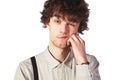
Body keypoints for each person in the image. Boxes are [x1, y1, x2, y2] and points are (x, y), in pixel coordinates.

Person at [14, 0, 101, 80]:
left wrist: (82, 64)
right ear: (48, 22)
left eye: (71, 23)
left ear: (79, 27)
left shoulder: (89, 63)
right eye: (57, 21)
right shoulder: (27, 69)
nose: (63, 30)